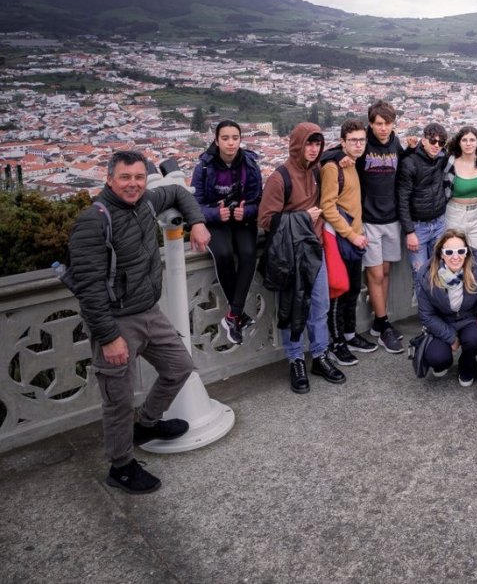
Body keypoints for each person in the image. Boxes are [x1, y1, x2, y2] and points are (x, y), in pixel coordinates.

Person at [66, 150, 212, 494]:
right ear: (109, 179)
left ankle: (146, 424)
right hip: (117, 322)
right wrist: (108, 336)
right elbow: (88, 289)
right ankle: (121, 466)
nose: (133, 184)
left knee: (180, 367)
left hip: (149, 311)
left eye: (139, 177)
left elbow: (177, 193)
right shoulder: (93, 220)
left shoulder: (147, 202)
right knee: (117, 398)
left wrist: (199, 222)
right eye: (125, 178)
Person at [258, 123, 347, 393]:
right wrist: (301, 217)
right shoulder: (279, 178)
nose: (313, 149)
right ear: (297, 145)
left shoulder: (319, 171)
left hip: (314, 249)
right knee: (291, 310)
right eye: (309, 143)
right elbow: (264, 220)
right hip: (289, 254)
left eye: (317, 144)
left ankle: (319, 355)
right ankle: (295, 360)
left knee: (319, 306)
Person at [190, 120, 262, 345]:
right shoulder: (204, 166)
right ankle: (238, 315)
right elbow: (194, 202)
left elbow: (259, 200)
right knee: (223, 254)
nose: (231, 143)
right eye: (225, 138)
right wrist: (214, 215)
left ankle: (233, 315)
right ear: (216, 140)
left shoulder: (250, 165)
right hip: (216, 220)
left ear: (241, 140)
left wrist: (246, 211)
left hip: (242, 220)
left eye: (235, 138)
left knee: (249, 253)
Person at [415, 229, 477, 387]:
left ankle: (467, 361)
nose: (455, 256)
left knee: (475, 339)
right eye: (449, 252)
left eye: (460, 251)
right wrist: (451, 337)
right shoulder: (426, 275)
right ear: (441, 254)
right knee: (437, 357)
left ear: (466, 252)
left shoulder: (476, 266)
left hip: (468, 318)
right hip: (442, 321)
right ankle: (442, 362)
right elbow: (426, 316)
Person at [320, 118, 374, 361]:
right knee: (337, 291)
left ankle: (350, 334)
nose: (358, 144)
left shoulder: (352, 162)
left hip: (353, 238)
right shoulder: (334, 167)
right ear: (343, 142)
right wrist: (352, 235)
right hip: (339, 238)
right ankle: (336, 341)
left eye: (362, 140)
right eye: (353, 140)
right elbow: (327, 207)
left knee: (352, 289)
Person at [357, 100, 405, 354]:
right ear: (371, 124)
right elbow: (337, 154)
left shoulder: (396, 143)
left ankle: (379, 321)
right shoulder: (362, 144)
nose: (383, 128)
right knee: (375, 274)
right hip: (369, 219)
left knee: (385, 270)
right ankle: (383, 323)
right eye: (378, 124)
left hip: (392, 217)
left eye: (387, 123)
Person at [397, 122, 449, 274]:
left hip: (439, 223)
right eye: (432, 141)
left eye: (440, 143)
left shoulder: (442, 158)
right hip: (418, 227)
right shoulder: (410, 163)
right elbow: (403, 199)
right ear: (424, 140)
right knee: (420, 274)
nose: (436, 145)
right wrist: (409, 232)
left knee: (440, 272)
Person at [444, 125, 477, 257]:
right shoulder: (449, 164)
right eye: (464, 140)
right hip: (454, 213)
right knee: (455, 255)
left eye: (472, 140)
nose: (468, 143)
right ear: (458, 143)